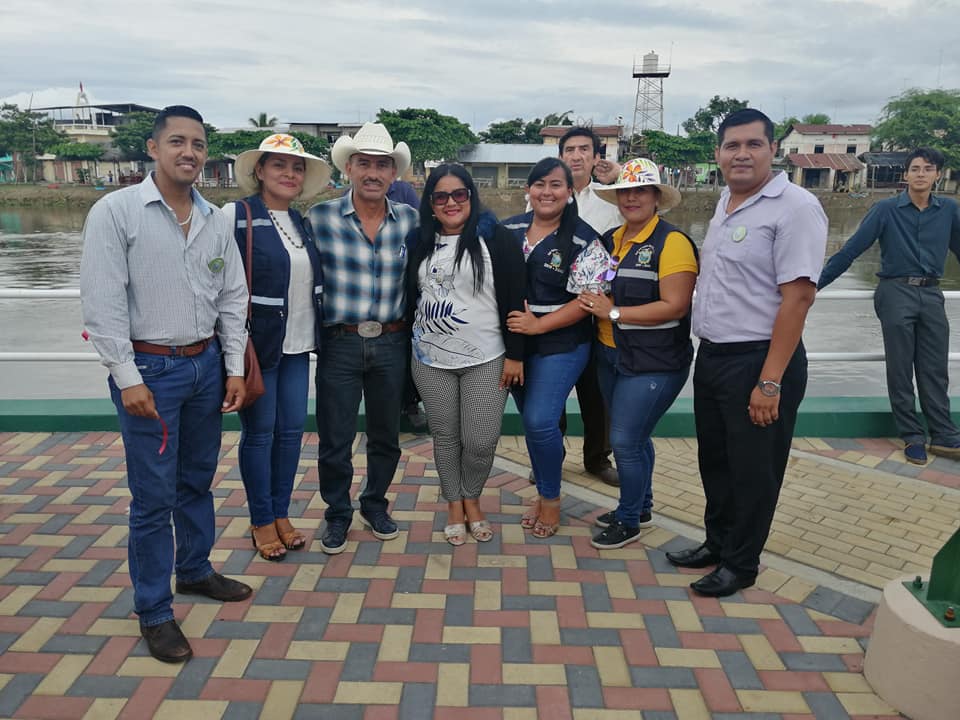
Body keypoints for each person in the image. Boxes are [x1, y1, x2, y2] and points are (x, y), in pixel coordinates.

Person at [79, 105, 252, 663]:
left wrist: (232, 367)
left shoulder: (214, 218)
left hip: (205, 366)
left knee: (196, 480)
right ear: (153, 148)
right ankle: (154, 610)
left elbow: (232, 297)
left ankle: (194, 569)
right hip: (150, 372)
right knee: (153, 498)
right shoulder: (116, 212)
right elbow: (102, 301)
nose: (189, 153)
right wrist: (126, 376)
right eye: (177, 141)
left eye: (198, 144)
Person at [666, 109, 827, 597]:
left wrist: (770, 380)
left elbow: (798, 298)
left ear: (773, 150)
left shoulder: (795, 208)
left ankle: (741, 564)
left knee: (755, 469)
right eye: (732, 145)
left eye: (753, 144)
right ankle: (717, 543)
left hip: (760, 359)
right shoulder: (726, 203)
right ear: (717, 153)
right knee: (716, 462)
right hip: (714, 355)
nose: (741, 154)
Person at [307, 123, 419, 555]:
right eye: (365, 164)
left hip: (392, 342)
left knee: (385, 435)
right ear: (349, 168)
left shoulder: (410, 220)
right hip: (341, 342)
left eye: (382, 165)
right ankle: (337, 512)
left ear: (394, 173)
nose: (373, 173)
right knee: (335, 438)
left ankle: (375, 504)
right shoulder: (319, 219)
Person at [577, 158, 698, 549]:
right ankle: (641, 507)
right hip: (611, 355)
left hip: (655, 361)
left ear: (656, 197)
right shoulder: (610, 239)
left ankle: (628, 519)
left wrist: (614, 312)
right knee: (637, 437)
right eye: (624, 192)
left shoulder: (672, 242)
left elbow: (675, 305)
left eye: (640, 191)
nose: (631, 198)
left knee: (625, 440)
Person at [405, 164, 526, 545]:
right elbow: (411, 299)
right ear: (430, 203)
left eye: (459, 194)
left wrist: (516, 355)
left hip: (488, 357)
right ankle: (455, 504)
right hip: (430, 360)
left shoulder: (496, 239)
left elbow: (516, 299)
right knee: (445, 437)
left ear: (471, 196)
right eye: (441, 196)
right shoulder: (419, 240)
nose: (451, 203)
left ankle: (472, 494)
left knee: (480, 440)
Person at [224, 134, 331, 560]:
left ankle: (281, 513)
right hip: (258, 347)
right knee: (259, 434)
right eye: (279, 165)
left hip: (298, 346)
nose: (289, 174)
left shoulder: (302, 222)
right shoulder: (237, 215)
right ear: (260, 171)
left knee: (290, 434)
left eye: (296, 167)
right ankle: (261, 519)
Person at [818, 147, 960, 464]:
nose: (921, 174)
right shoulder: (886, 210)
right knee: (900, 367)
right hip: (895, 292)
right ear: (905, 175)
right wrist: (813, 287)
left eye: (928, 169)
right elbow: (851, 250)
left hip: (931, 294)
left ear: (937, 175)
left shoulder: (949, 211)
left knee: (935, 368)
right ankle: (912, 436)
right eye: (915, 168)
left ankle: (944, 435)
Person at [504, 158, 611, 538]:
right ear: (528, 189)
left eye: (556, 185)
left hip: (562, 343)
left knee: (539, 420)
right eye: (539, 184)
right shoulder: (508, 230)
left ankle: (550, 499)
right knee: (534, 425)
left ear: (569, 192)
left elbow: (589, 299)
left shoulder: (585, 239)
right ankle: (544, 490)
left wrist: (539, 325)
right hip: (515, 344)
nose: (546, 192)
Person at [553, 127, 623, 487]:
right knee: (552, 389)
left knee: (597, 391)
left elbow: (649, 210)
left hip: (599, 308)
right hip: (556, 308)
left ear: (597, 157)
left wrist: (619, 176)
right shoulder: (548, 196)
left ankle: (597, 458)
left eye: (584, 149)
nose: (576, 156)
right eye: (570, 149)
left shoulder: (612, 199)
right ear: (560, 156)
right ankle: (550, 456)